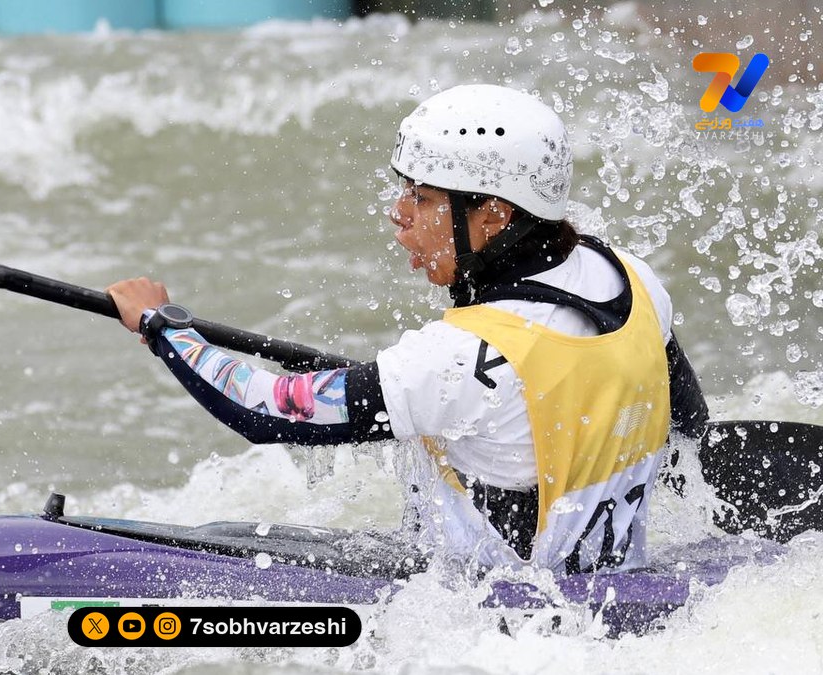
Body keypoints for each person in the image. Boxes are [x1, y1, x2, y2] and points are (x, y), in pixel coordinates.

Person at [106, 84, 708, 574]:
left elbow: (263, 412)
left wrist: (165, 328)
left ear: (493, 215)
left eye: (420, 198)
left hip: (494, 616)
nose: (397, 216)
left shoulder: (456, 359)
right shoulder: (629, 279)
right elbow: (688, 424)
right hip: (611, 589)